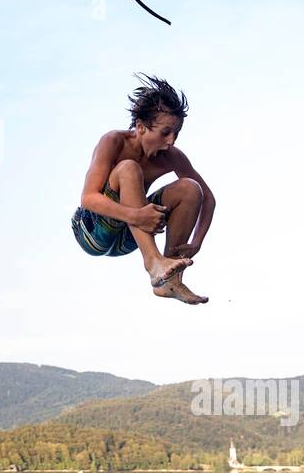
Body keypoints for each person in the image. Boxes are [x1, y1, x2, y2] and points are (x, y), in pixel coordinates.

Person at [70, 74, 215, 303]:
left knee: (190, 188)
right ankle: (153, 262)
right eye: (165, 132)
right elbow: (88, 198)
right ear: (141, 126)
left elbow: (208, 198)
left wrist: (197, 242)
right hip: (93, 230)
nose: (172, 141)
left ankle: (170, 281)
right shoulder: (114, 141)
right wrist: (137, 215)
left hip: (130, 235)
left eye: (176, 133)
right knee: (128, 168)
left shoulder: (172, 157)